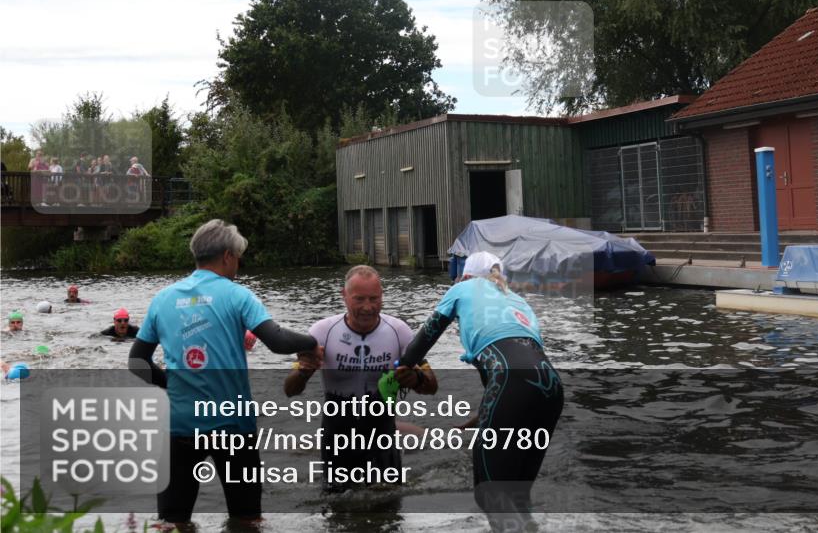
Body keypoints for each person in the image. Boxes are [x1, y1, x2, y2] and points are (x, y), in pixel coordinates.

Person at [128, 219, 320, 526]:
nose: (238, 265)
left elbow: (137, 362)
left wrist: (173, 385)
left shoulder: (163, 299)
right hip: (233, 426)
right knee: (246, 520)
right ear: (228, 256)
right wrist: (311, 342)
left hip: (178, 427)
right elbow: (277, 340)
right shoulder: (237, 295)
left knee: (172, 524)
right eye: (238, 258)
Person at [397, 252, 563, 526]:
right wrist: (479, 418)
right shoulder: (518, 302)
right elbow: (521, 372)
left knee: (490, 494)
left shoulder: (462, 288)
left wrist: (401, 369)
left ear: (464, 276)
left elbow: (422, 341)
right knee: (518, 496)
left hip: (510, 382)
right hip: (551, 388)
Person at [284, 265, 438, 491]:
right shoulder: (322, 331)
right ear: (344, 296)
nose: (368, 307)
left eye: (374, 299)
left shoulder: (399, 331)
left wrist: (416, 379)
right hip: (338, 434)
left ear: (382, 296)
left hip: (382, 432)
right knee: (337, 511)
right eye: (359, 299)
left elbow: (432, 386)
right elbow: (290, 390)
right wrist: (304, 371)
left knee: (389, 508)